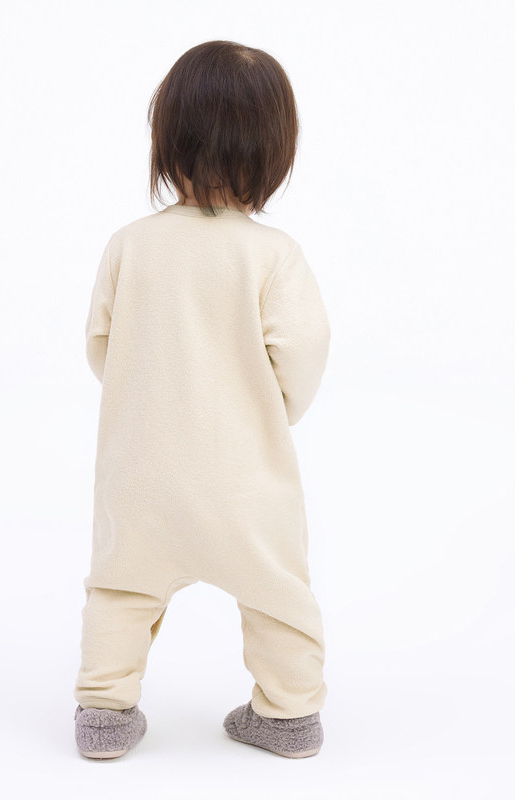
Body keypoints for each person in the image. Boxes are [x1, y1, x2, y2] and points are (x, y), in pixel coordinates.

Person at [74, 40, 331, 760]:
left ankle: (104, 712)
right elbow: (303, 354)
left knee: (120, 588)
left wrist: (146, 392)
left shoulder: (129, 245)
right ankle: (287, 718)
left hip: (140, 475)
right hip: (247, 481)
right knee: (279, 595)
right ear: (275, 153)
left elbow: (101, 345)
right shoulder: (273, 255)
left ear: (166, 140)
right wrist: (267, 410)